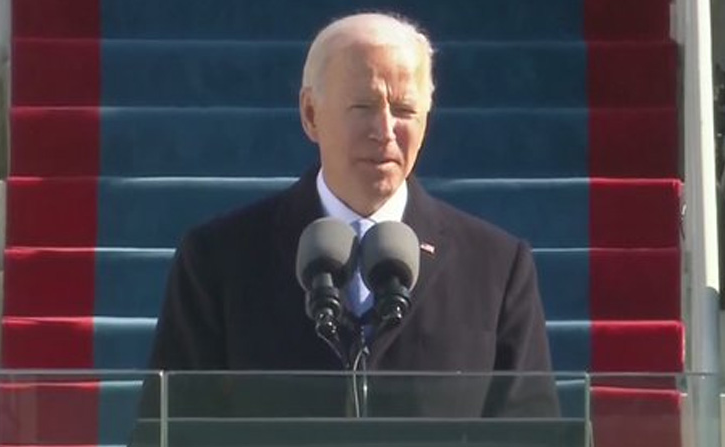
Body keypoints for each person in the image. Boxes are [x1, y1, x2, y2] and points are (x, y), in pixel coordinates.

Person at [144, 12, 558, 422]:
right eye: (363, 106)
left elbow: (531, 429)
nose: (385, 129)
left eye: (404, 110)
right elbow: (171, 425)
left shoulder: (496, 267)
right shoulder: (219, 260)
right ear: (310, 114)